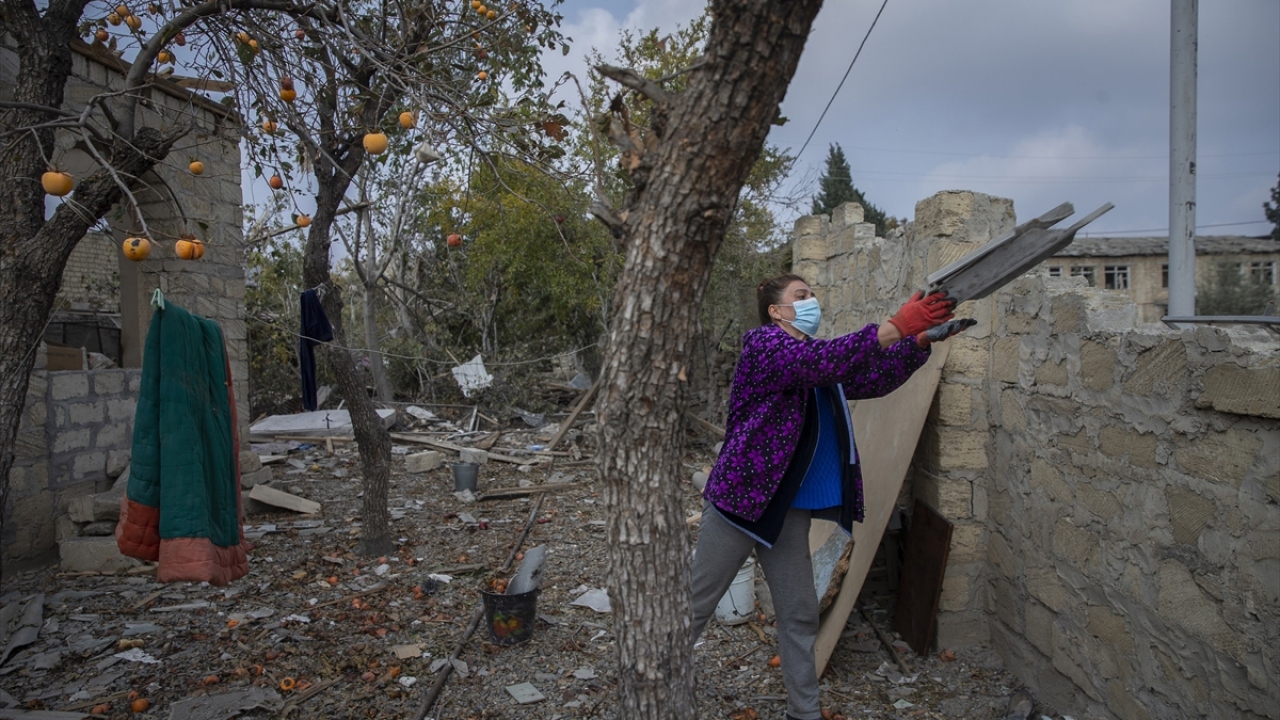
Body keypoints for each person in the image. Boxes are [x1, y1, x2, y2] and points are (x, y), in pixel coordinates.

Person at [690, 273, 974, 720]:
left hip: (785, 509)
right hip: (740, 506)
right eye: (800, 297)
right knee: (695, 606)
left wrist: (917, 343)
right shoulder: (765, 347)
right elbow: (827, 361)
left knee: (800, 614)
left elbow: (870, 378)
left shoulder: (812, 360)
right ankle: (648, 692)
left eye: (812, 294)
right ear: (775, 311)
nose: (811, 302)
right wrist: (898, 324)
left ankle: (802, 713)